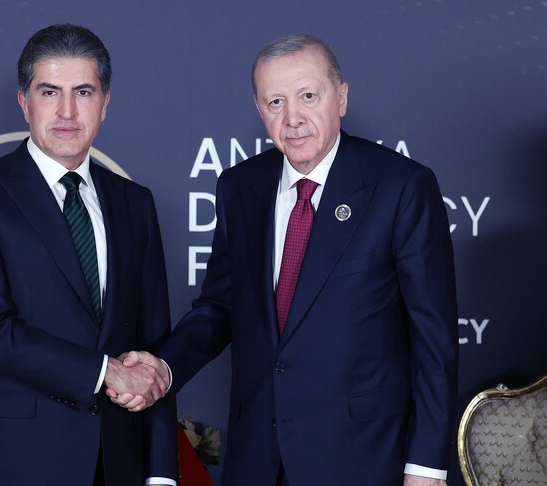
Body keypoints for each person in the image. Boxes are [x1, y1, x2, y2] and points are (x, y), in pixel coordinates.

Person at [111, 34, 458, 485]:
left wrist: (425, 466)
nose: (293, 118)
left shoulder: (401, 186)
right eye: (276, 102)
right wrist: (164, 365)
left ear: (341, 98)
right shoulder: (240, 187)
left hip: (363, 458)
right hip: (258, 457)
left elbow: (433, 340)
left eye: (308, 96)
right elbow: (220, 307)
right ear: (260, 110)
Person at [0, 24, 177, 485]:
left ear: (105, 104)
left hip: (119, 464)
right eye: (49, 92)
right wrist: (105, 372)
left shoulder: (135, 203)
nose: (67, 111)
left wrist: (161, 471)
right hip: (16, 464)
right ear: (24, 102)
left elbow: (154, 348)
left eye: (83, 92)